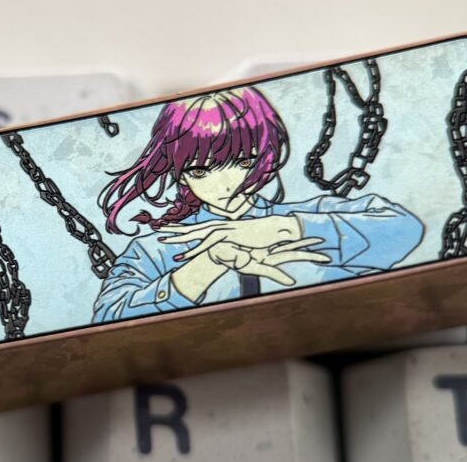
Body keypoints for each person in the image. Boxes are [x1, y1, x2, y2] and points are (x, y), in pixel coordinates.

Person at [92, 86, 424, 323]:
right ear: (179, 173)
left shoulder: (311, 215)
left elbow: (405, 228)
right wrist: (207, 263)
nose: (224, 184)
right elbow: (108, 318)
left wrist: (284, 229)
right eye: (200, 170)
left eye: (242, 162)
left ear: (267, 157)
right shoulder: (155, 249)